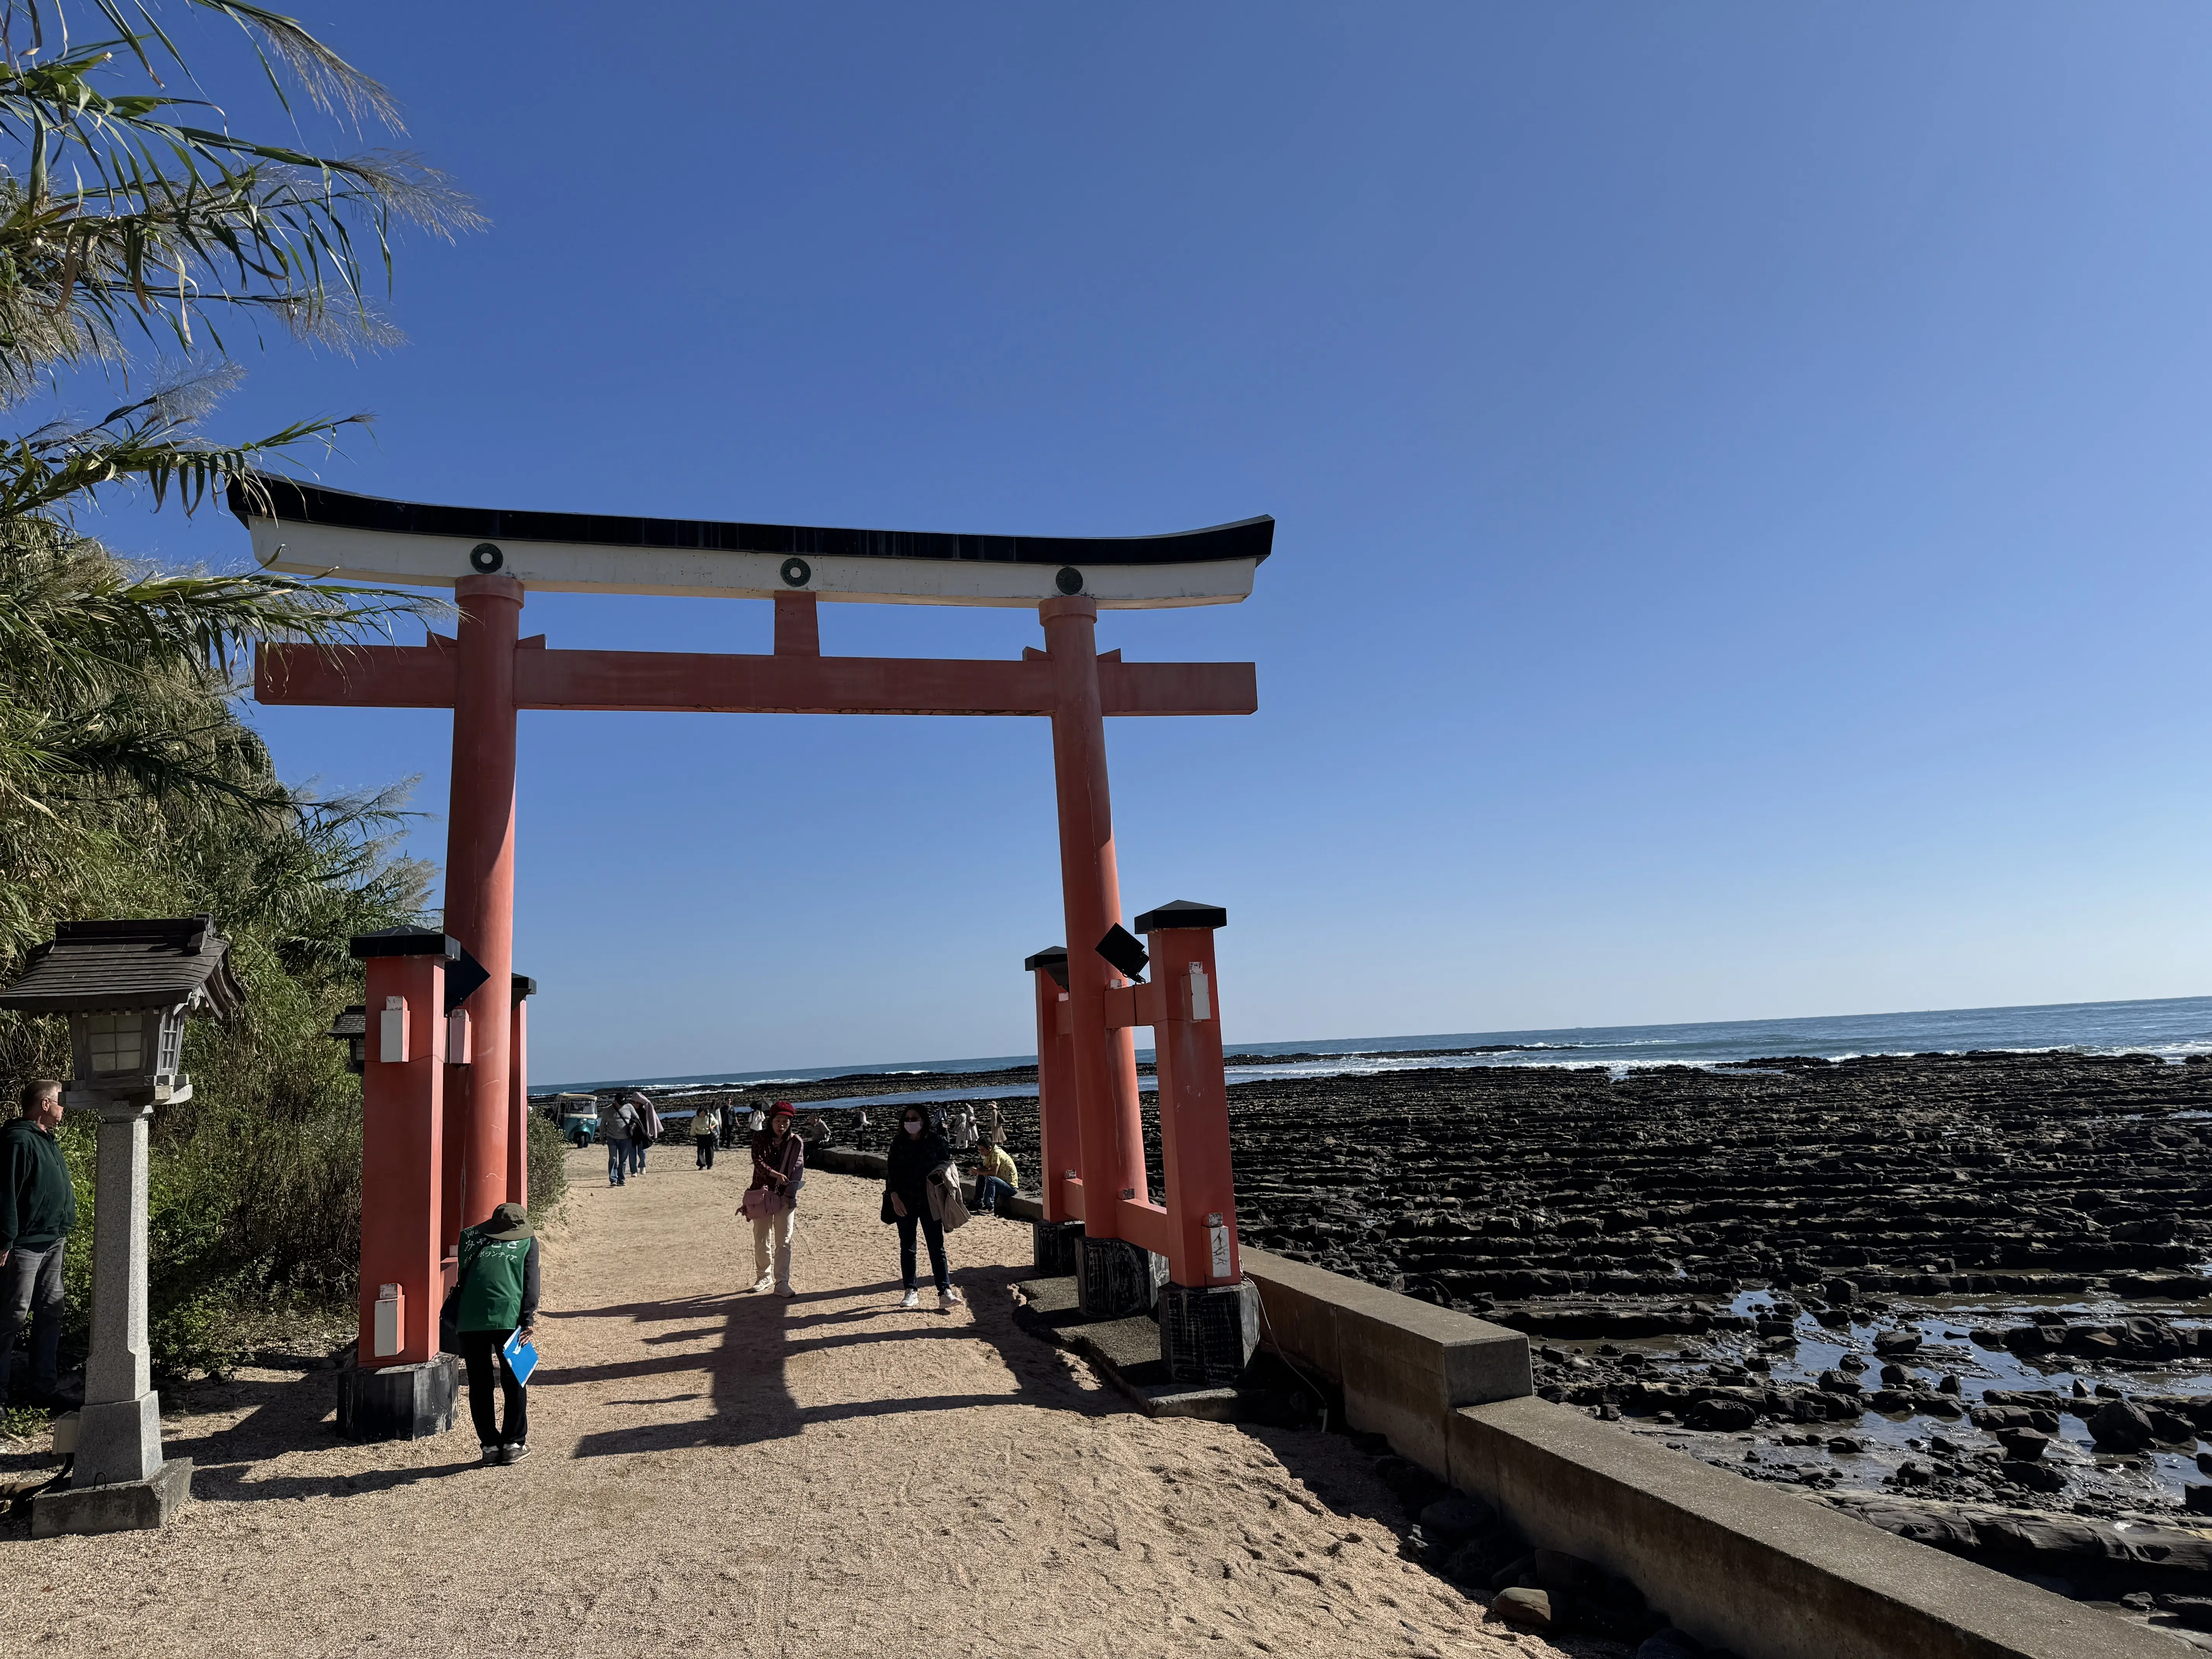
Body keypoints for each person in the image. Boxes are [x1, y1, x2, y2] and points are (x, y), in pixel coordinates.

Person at [0, 1080, 74, 1407]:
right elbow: (6, 1196)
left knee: (51, 1310)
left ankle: (43, 1390)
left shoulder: (48, 1141)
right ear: (45, 1104)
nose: (63, 1108)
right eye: (60, 1102)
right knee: (12, 1315)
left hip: (53, 1239)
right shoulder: (17, 1140)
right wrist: (5, 1239)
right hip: (25, 1244)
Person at [455, 1200, 539, 1465]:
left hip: (470, 1319)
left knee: (480, 1383)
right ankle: (514, 1444)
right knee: (515, 1378)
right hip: (510, 1317)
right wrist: (528, 1320)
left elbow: (463, 1276)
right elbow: (531, 1283)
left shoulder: (470, 1239)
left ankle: (490, 1446)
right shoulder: (528, 1242)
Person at [884, 1105, 963, 1312]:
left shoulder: (936, 1141)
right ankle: (911, 1290)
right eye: (908, 1118)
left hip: (931, 1202)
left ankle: (945, 1292)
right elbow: (891, 1173)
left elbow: (948, 1163)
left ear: (924, 1120)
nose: (911, 1122)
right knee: (908, 1248)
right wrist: (894, 1197)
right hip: (905, 1202)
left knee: (937, 1248)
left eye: (915, 1118)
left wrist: (941, 1175)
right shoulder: (898, 1144)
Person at [747, 1102, 804, 1295]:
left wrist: (791, 1193)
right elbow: (758, 1162)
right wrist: (776, 1175)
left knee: (784, 1240)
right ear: (771, 1121)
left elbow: (798, 1168)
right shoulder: (760, 1138)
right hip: (762, 1193)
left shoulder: (796, 1142)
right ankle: (764, 1276)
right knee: (762, 1237)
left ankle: (782, 1282)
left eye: (786, 1122)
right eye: (778, 1121)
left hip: (785, 1196)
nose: (782, 1125)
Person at [971, 1140, 1019, 1216]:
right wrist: (977, 1171)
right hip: (1001, 1183)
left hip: (1010, 1187)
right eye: (979, 1150)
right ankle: (978, 1203)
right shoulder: (989, 1154)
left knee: (990, 1178)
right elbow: (985, 1168)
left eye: (983, 1150)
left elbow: (993, 1173)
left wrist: (979, 1172)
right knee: (981, 1176)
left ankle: (990, 1208)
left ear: (990, 1148)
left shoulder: (997, 1154)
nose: (981, 1153)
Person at [601, 1092, 637, 1187]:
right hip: (612, 1137)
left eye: (624, 1102)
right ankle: (613, 1179)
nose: (623, 1104)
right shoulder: (607, 1111)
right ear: (616, 1102)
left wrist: (633, 1126)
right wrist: (602, 1138)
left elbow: (636, 1118)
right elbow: (603, 1125)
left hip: (625, 1138)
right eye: (621, 1103)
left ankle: (621, 1179)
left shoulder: (629, 1107)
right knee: (613, 1158)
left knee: (623, 1160)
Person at [627, 1091, 660, 1176]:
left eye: (635, 1102)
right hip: (632, 1134)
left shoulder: (646, 1111)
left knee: (642, 1152)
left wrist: (649, 1133)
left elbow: (650, 1122)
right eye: (632, 1102)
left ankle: (643, 1166)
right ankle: (634, 1171)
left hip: (642, 1134)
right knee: (632, 1154)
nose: (633, 1104)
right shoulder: (630, 1110)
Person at [692, 1101, 721, 1170]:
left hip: (708, 1135)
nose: (702, 1115)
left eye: (703, 1113)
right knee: (700, 1151)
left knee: (709, 1151)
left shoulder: (710, 1116)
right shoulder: (696, 1119)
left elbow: (716, 1123)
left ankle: (710, 1165)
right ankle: (702, 1165)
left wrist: (712, 1127)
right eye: (701, 1113)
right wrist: (692, 1135)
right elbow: (693, 1127)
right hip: (700, 1136)